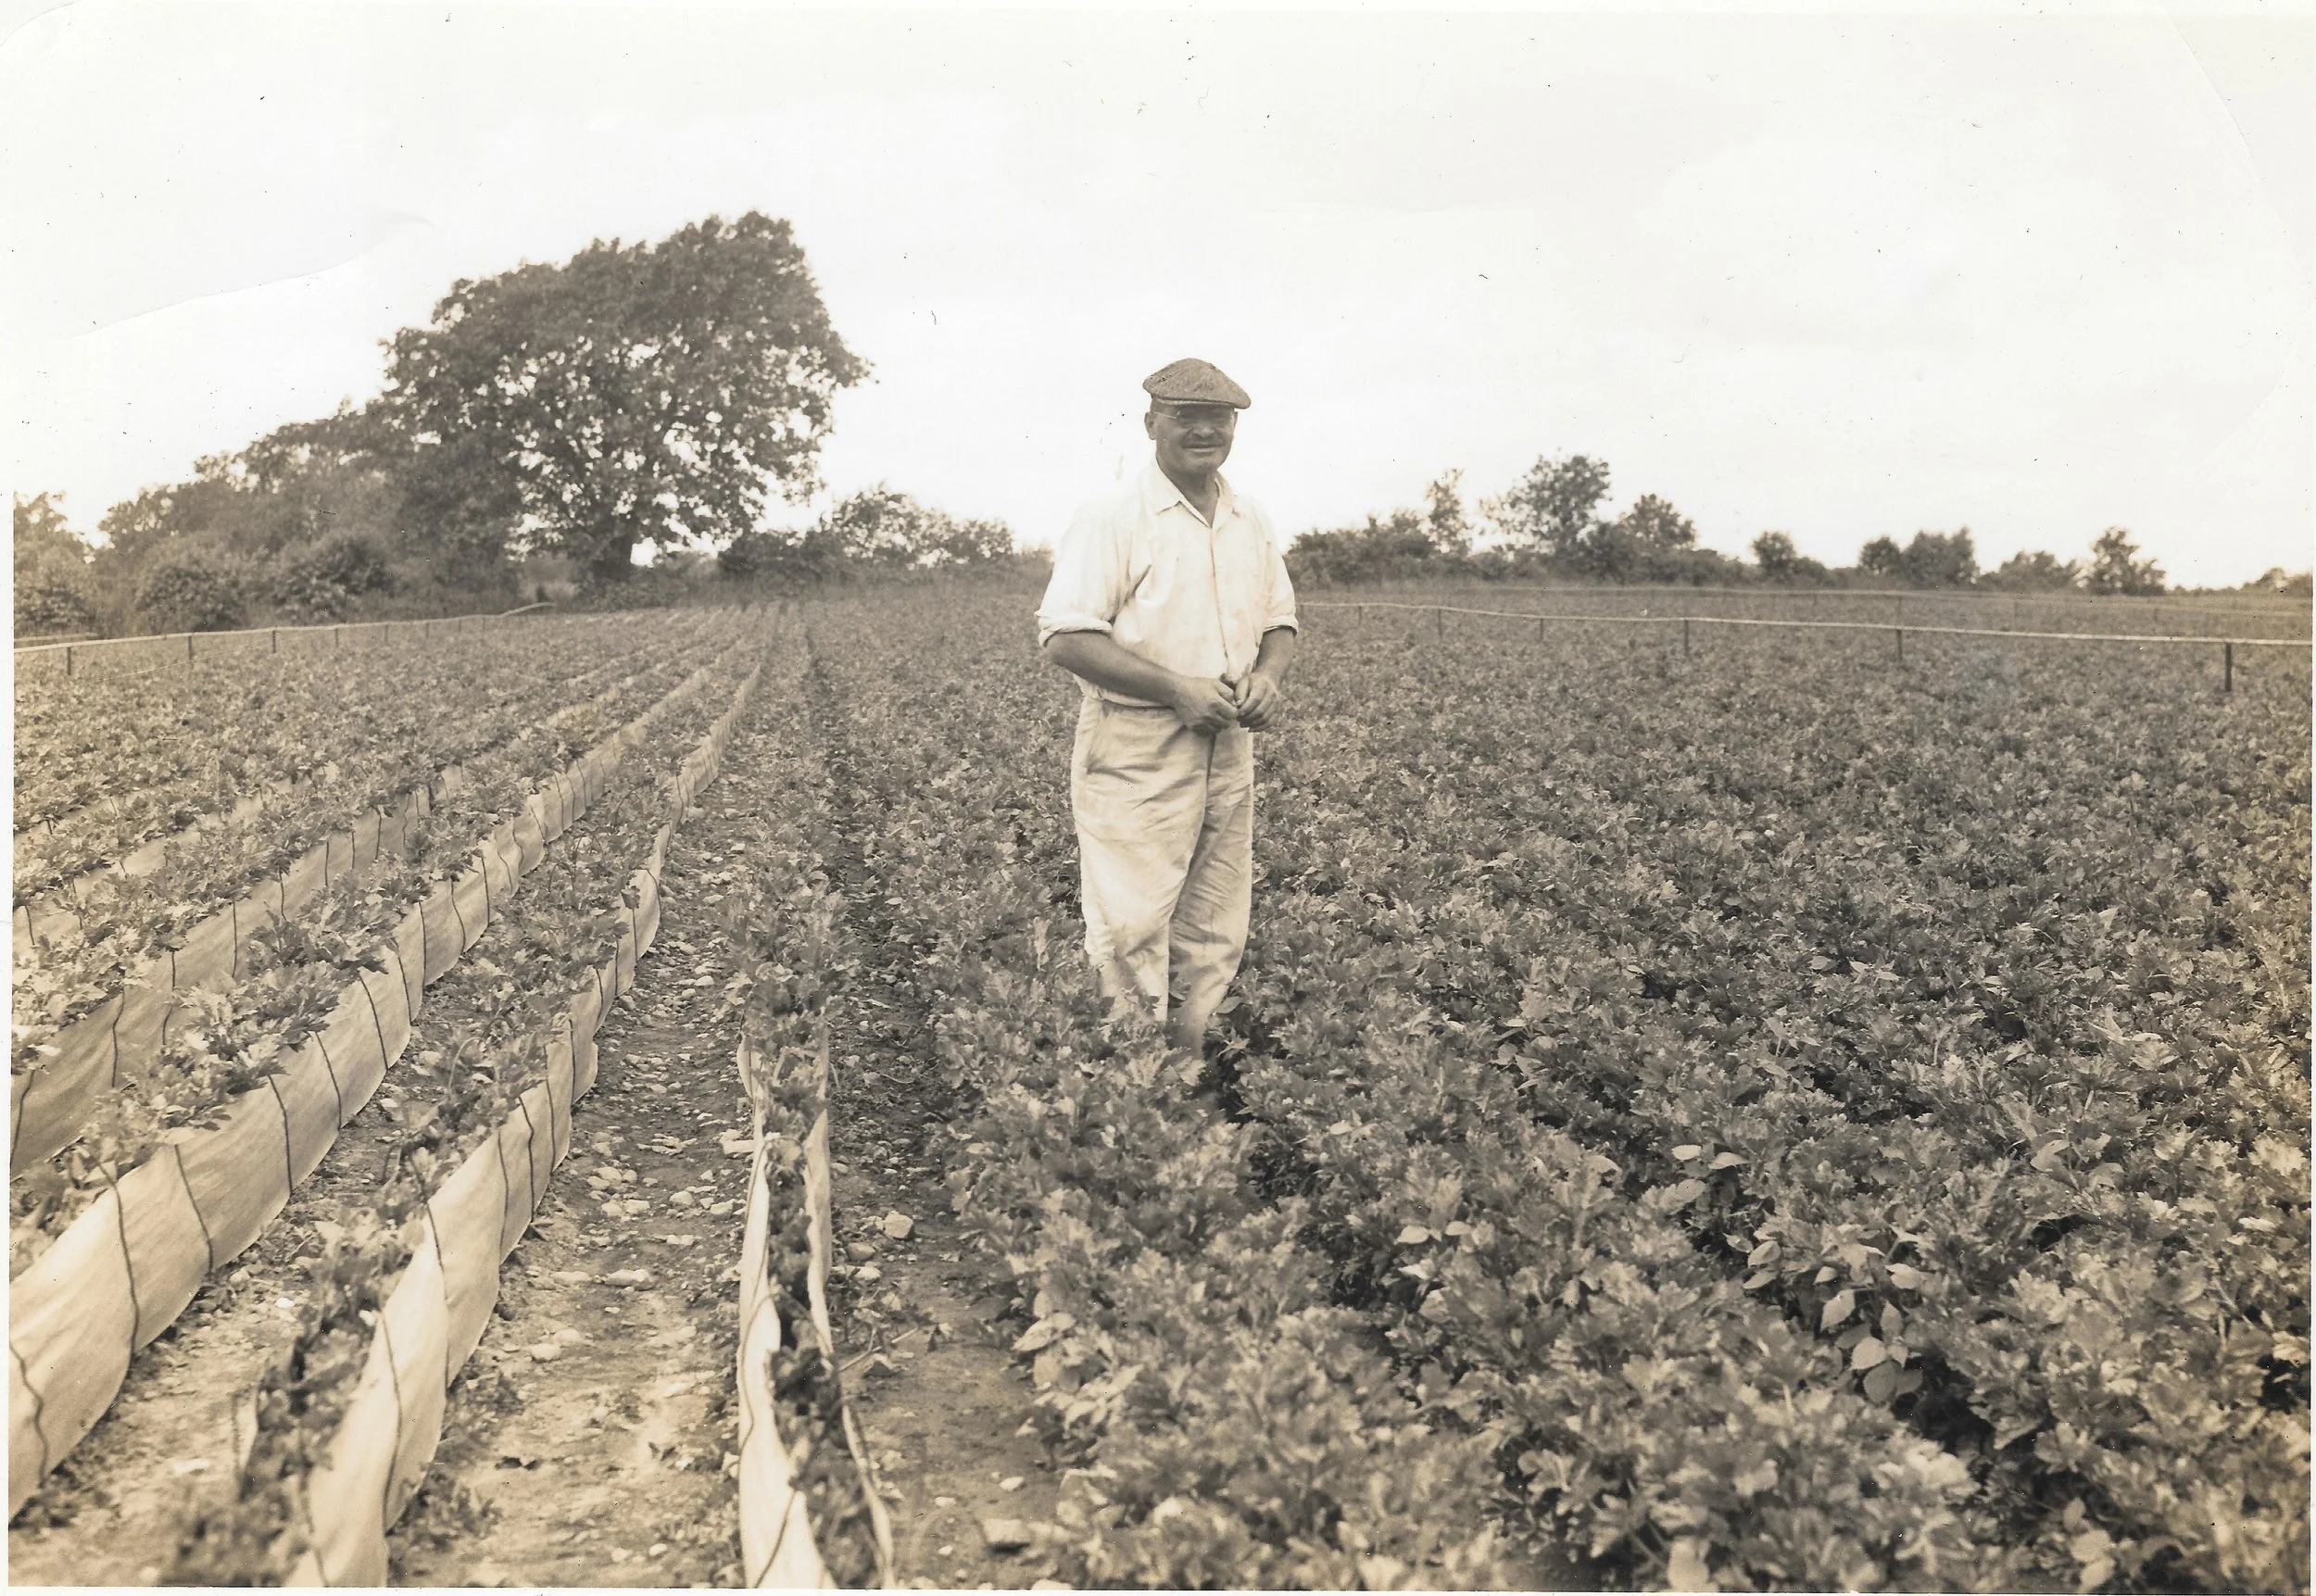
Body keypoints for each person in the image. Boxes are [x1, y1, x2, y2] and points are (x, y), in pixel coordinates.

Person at [1036, 358, 1300, 1057]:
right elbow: (1065, 637)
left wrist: (1268, 677)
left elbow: (1280, 620)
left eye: (1219, 419)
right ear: (1151, 422)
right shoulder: (1113, 516)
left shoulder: (1249, 517)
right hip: (1136, 741)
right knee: (1130, 924)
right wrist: (1175, 689)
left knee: (1215, 925)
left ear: (1235, 427)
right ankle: (1132, 1084)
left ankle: (1185, 1070)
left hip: (1228, 742)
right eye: (1186, 416)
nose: (1204, 430)